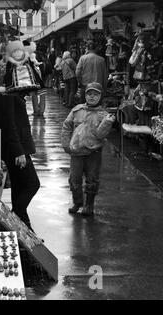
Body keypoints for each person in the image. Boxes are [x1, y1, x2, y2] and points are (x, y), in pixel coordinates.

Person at [0, 42, 41, 232]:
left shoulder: (7, 80)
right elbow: (8, 121)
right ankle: (15, 219)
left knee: (20, 186)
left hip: (12, 143)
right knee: (31, 184)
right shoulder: (4, 82)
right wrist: (18, 150)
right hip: (14, 146)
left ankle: (24, 227)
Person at [61, 82, 115, 216]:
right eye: (89, 94)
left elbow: (100, 135)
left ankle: (89, 205)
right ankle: (77, 202)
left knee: (92, 179)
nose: (92, 97)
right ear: (85, 95)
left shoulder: (103, 115)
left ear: (100, 96)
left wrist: (107, 123)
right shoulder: (77, 110)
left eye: (95, 95)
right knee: (75, 178)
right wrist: (66, 144)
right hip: (76, 152)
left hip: (93, 153)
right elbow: (66, 126)